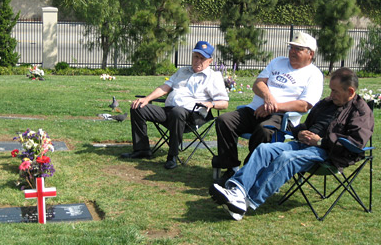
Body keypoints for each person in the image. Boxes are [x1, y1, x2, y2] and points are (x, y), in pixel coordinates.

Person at [209, 67, 374, 221]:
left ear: (350, 91)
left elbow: (355, 143)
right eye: (330, 90)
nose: (331, 94)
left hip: (328, 153)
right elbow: (307, 125)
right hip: (304, 144)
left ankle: (245, 201)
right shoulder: (326, 104)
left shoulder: (360, 112)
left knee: (287, 158)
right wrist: (299, 132)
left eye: (335, 91)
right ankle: (237, 190)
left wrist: (321, 141)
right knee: (264, 149)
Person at [213, 31, 324, 185]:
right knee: (224, 120)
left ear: (310, 53)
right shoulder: (278, 61)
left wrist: (274, 107)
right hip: (254, 109)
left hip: (282, 118)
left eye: (298, 49)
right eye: (291, 47)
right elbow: (258, 83)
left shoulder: (314, 75)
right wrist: (268, 97)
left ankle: (248, 174)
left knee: (264, 130)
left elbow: (305, 105)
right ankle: (230, 168)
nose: (292, 51)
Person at [121, 41, 229, 169]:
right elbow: (165, 87)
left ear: (210, 61)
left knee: (178, 112)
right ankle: (142, 149)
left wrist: (211, 104)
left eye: (202, 58)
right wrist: (147, 98)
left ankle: (172, 156)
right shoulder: (182, 71)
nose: (198, 61)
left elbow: (224, 103)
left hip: (191, 116)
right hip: (169, 111)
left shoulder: (213, 77)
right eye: (196, 56)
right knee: (138, 107)